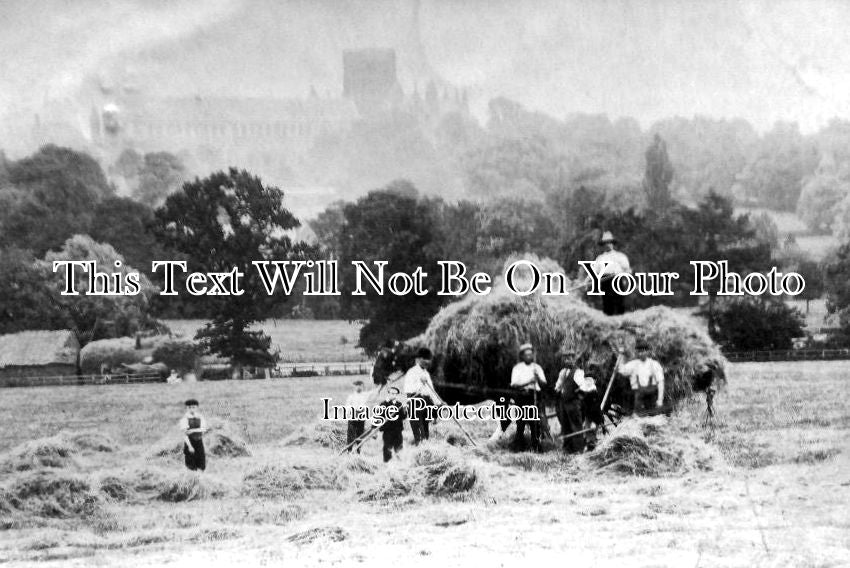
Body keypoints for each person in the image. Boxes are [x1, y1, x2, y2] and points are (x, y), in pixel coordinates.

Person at [510, 343, 547, 452]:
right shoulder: (517, 368)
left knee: (535, 423)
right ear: (522, 356)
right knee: (520, 422)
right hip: (522, 397)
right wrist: (529, 381)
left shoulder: (537, 367)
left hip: (534, 397)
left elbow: (544, 383)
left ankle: (536, 447)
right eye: (526, 355)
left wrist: (538, 377)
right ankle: (519, 447)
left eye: (530, 355)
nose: (529, 357)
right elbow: (514, 384)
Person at [589, 231, 631, 316]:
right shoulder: (600, 258)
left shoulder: (620, 256)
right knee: (607, 305)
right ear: (603, 245)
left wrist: (625, 275)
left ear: (612, 243)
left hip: (617, 280)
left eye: (609, 242)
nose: (608, 244)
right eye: (606, 243)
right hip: (605, 282)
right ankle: (609, 325)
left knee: (619, 304)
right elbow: (593, 272)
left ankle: (621, 324)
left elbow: (628, 270)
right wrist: (586, 282)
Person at [617, 341, 665, 414]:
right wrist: (622, 354)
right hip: (639, 399)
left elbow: (660, 382)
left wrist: (660, 400)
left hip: (651, 399)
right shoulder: (633, 364)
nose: (641, 353)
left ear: (647, 352)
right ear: (636, 352)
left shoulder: (654, 364)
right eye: (639, 351)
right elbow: (621, 370)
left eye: (643, 351)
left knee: (654, 419)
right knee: (639, 420)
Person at [554, 349, 586, 454]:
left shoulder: (578, 372)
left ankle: (578, 450)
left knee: (576, 426)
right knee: (565, 426)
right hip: (564, 403)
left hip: (573, 403)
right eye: (566, 358)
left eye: (570, 357)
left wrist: (575, 393)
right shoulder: (562, 372)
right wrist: (558, 389)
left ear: (574, 359)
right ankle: (567, 449)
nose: (567, 360)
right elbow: (557, 386)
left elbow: (584, 386)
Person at [403, 347, 435, 445]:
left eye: (429, 360)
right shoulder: (411, 372)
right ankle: (420, 449)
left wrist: (439, 403)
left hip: (426, 403)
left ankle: (426, 451)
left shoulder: (426, 374)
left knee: (425, 432)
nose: (427, 362)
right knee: (419, 432)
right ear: (419, 359)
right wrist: (420, 383)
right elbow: (408, 390)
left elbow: (431, 391)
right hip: (414, 402)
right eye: (425, 359)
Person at [378, 387, 407, 462]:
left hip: (397, 430)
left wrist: (405, 410)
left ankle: (400, 464)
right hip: (388, 431)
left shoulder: (399, 404)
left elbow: (403, 417)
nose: (393, 395)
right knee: (387, 448)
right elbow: (379, 417)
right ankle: (387, 464)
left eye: (395, 394)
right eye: (392, 393)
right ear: (388, 394)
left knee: (399, 448)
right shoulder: (383, 404)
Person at [179, 399, 207, 471]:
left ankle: (201, 478)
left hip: (199, 441)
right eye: (189, 407)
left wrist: (193, 430)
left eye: (193, 407)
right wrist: (190, 446)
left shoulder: (200, 417)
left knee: (201, 462)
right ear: (186, 408)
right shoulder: (184, 419)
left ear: (197, 407)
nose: (191, 409)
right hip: (190, 442)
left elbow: (204, 429)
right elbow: (184, 434)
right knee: (191, 464)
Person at [345, 379, 369, 449]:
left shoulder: (364, 396)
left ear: (362, 387)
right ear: (354, 387)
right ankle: (349, 450)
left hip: (361, 417)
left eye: (360, 386)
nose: (358, 387)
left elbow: (365, 406)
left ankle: (359, 450)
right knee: (351, 435)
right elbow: (347, 407)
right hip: (353, 417)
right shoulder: (351, 396)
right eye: (357, 386)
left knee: (360, 434)